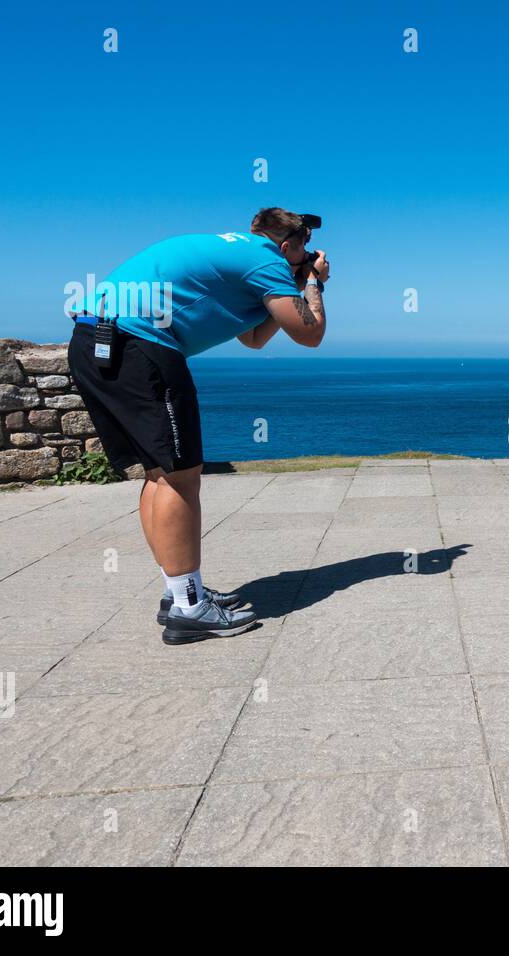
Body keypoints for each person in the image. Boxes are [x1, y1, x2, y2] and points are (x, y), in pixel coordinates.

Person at [67, 208, 330, 645]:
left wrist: (296, 282)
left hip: (95, 341)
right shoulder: (266, 258)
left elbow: (254, 337)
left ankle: (178, 593)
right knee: (180, 478)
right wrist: (315, 283)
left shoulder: (241, 252)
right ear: (288, 245)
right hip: (141, 345)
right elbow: (311, 333)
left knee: (159, 474)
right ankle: (191, 609)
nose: (309, 254)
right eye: (304, 247)